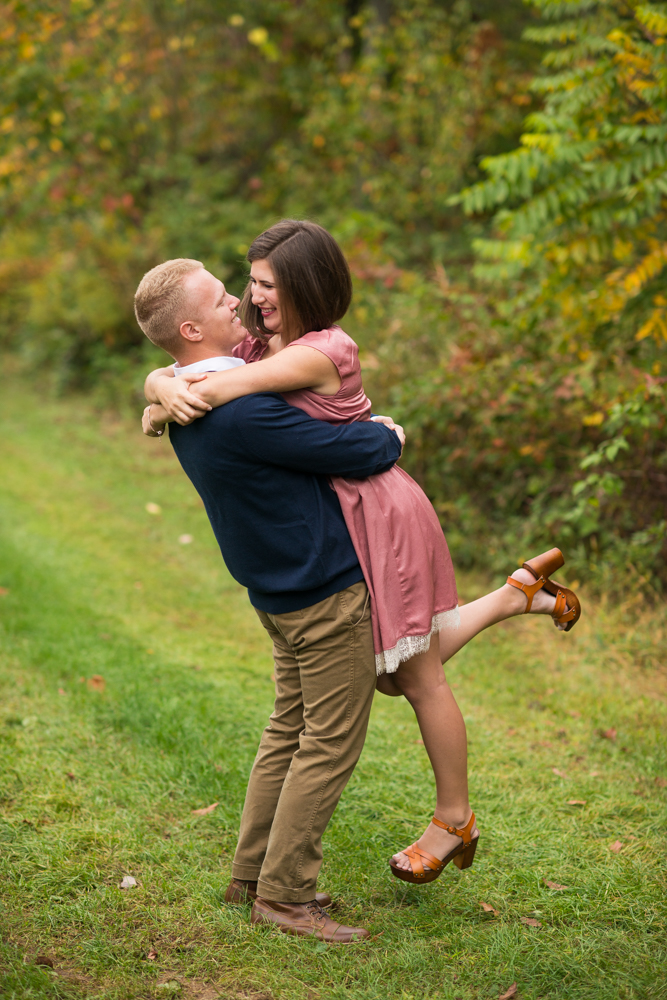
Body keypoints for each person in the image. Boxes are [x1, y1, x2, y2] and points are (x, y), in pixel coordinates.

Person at [142, 221, 582, 887]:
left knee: (412, 671)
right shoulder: (256, 344)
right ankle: (514, 594)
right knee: (399, 664)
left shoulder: (318, 350)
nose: (247, 296)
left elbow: (227, 388)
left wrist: (175, 390)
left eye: (263, 284)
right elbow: (196, 359)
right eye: (244, 284)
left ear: (300, 287)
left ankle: (452, 817)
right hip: (350, 509)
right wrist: (159, 384)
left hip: (379, 507)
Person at [134, 256, 405, 942]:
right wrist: (390, 433)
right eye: (223, 300)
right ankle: (285, 898)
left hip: (276, 592)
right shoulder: (243, 410)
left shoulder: (189, 395)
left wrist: (157, 384)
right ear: (191, 327)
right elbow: (357, 451)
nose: (240, 305)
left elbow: (169, 380)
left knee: (288, 730)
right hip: (321, 591)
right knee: (327, 744)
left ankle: (250, 876)